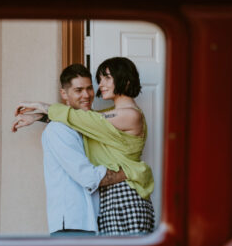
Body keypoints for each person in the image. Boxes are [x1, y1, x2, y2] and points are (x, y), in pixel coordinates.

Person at [13, 57, 155, 234]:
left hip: (125, 195)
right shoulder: (108, 116)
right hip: (110, 199)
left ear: (125, 80)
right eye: (100, 79)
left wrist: (43, 107)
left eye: (107, 78)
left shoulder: (130, 115)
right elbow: (86, 120)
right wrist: (40, 117)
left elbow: (85, 120)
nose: (100, 85)